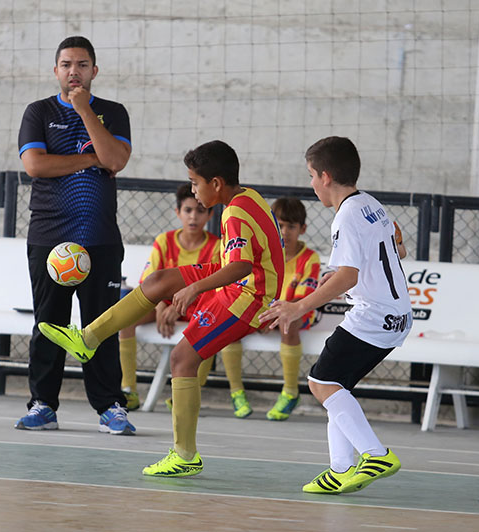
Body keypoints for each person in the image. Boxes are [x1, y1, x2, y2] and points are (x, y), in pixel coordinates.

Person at [38, 140, 285, 477]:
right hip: (233, 280)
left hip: (249, 296)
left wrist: (195, 287)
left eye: (196, 183)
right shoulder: (247, 196)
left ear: (215, 183)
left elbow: (242, 267)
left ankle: (185, 455)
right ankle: (88, 338)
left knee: (182, 359)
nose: (194, 192)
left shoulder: (235, 212)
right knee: (158, 280)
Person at [259, 136, 412, 495]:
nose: (311, 184)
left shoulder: (345, 216)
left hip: (374, 314)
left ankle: (375, 454)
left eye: (312, 175)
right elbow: (398, 248)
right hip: (398, 313)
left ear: (325, 177)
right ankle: (339, 469)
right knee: (334, 385)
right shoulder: (371, 204)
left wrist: (298, 306)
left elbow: (349, 276)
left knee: (321, 382)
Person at [15, 36, 136, 435]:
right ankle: (43, 405)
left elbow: (116, 159)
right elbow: (35, 165)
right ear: (56, 71)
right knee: (49, 323)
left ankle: (110, 408)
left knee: (100, 324)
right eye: (66, 64)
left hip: (99, 238)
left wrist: (84, 111)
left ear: (94, 71)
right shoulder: (39, 112)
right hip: (50, 237)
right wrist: (90, 159)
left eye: (82, 65)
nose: (74, 71)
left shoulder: (113, 113)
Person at [119, 184, 221, 410]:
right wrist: (158, 308)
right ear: (178, 213)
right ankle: (129, 390)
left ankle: (187, 392)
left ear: (210, 214)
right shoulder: (164, 241)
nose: (193, 216)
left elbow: (213, 290)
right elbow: (149, 282)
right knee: (126, 319)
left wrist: (178, 308)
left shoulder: (217, 247)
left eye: (200, 211)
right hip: (163, 306)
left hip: (199, 308)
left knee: (213, 325)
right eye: (187, 210)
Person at [262, 197, 321, 421]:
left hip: (299, 314)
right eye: (279, 225)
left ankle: (290, 391)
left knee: (289, 322)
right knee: (229, 321)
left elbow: (302, 300)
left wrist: (273, 314)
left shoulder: (309, 258)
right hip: (267, 313)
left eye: (291, 226)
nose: (284, 232)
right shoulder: (264, 254)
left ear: (302, 229)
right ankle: (236, 392)